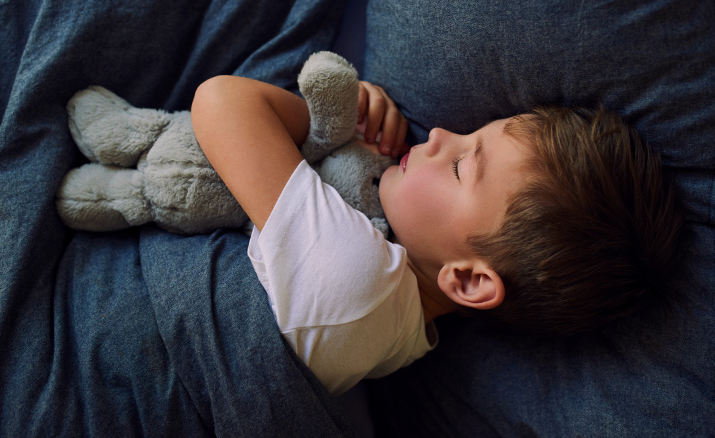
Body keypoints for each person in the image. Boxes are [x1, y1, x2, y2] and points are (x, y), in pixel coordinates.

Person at [191, 76, 682, 395]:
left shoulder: (356, 273)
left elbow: (220, 100)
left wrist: (331, 123)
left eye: (461, 165)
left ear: (468, 281)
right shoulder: (406, 338)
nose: (442, 133)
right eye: (472, 135)